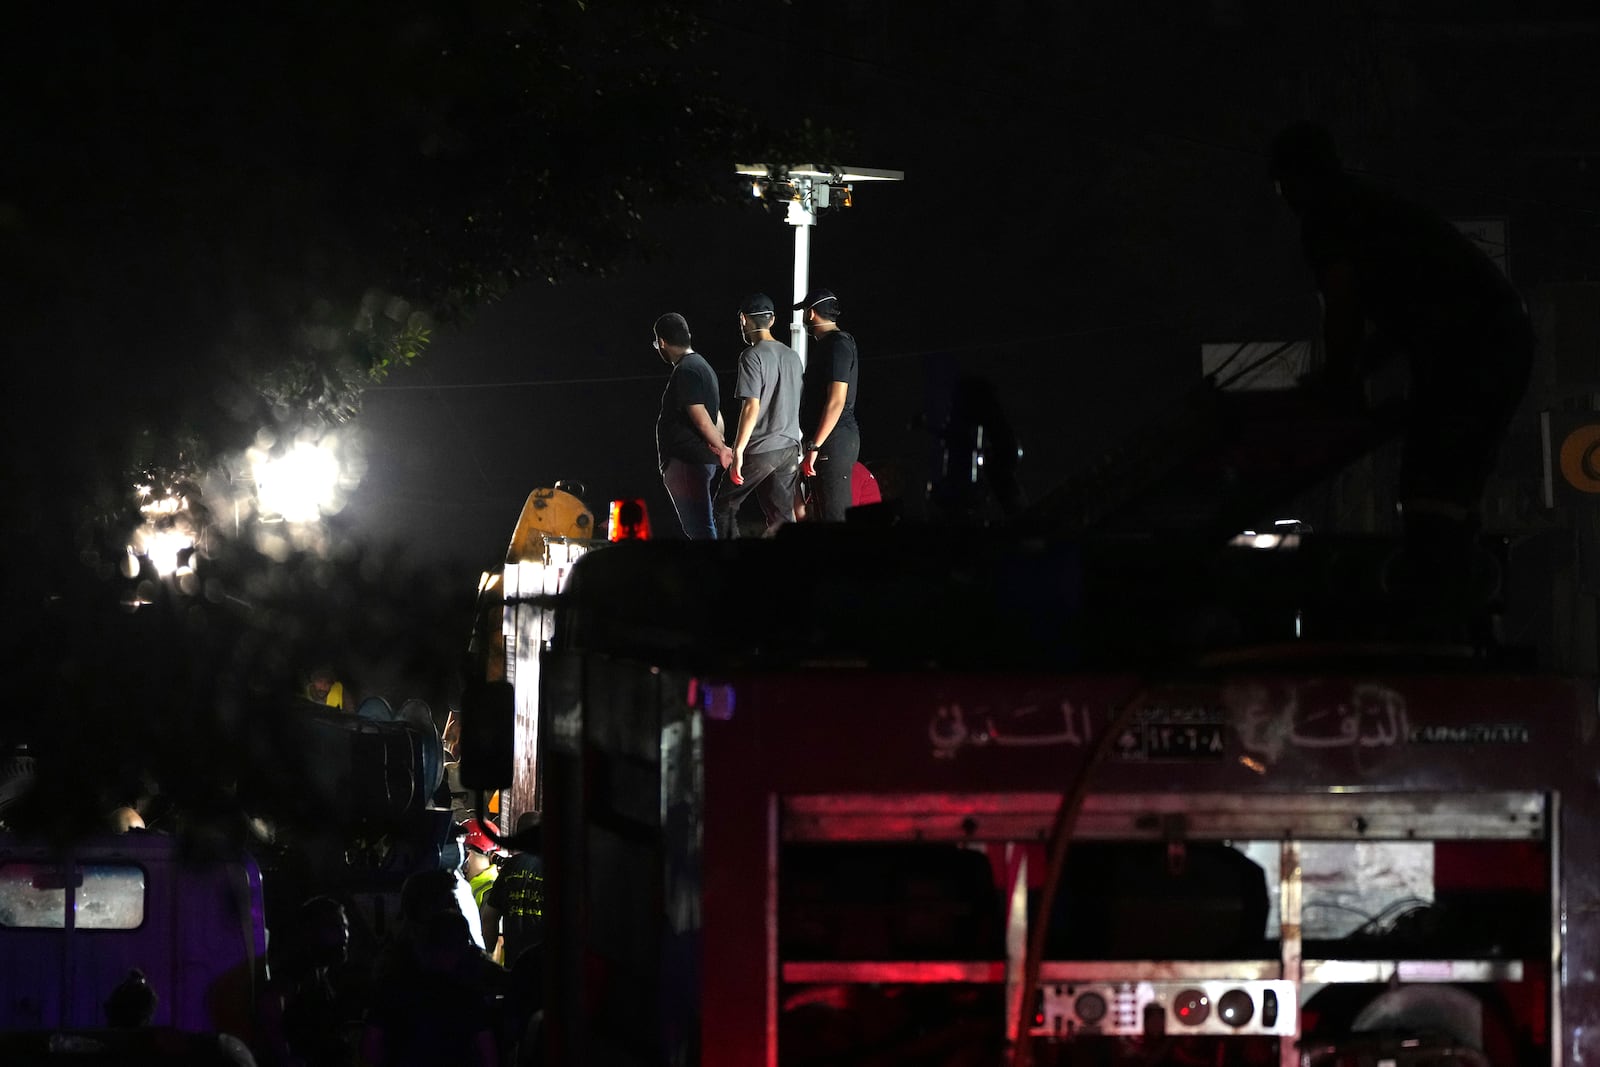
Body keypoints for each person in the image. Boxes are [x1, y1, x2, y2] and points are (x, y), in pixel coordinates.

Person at [1269, 120, 1533, 614]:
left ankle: (1435, 604)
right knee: (1450, 480)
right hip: (1500, 340)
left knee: (1431, 479)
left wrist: (1340, 377)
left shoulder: (1329, 218)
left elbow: (1343, 304)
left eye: (1283, 185)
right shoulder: (1375, 213)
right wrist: (1352, 371)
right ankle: (1454, 598)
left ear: (1296, 179)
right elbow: (1406, 314)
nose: (1284, 197)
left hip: (1473, 345)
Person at [713, 293, 804, 538]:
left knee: (724, 506)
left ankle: (726, 567)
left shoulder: (751, 356)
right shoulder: (793, 357)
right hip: (789, 449)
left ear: (743, 320)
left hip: (762, 447)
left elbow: (752, 406)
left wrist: (738, 450)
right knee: (781, 518)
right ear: (772, 320)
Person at [654, 312, 733, 539]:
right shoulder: (704, 367)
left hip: (687, 461)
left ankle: (711, 573)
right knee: (702, 526)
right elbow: (716, 414)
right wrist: (718, 442)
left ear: (662, 343)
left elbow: (699, 415)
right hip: (699, 460)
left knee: (700, 529)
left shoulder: (686, 370)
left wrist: (721, 447)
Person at [793, 289, 862, 522]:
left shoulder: (838, 344)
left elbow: (837, 400)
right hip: (825, 441)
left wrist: (815, 446)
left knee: (835, 516)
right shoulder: (828, 345)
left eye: (804, 311)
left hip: (835, 439)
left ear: (811, 313)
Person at [482, 811, 545, 970]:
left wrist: (488, 956)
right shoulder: (555, 869)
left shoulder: (509, 869)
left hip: (514, 967)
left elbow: (489, 917)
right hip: (545, 970)